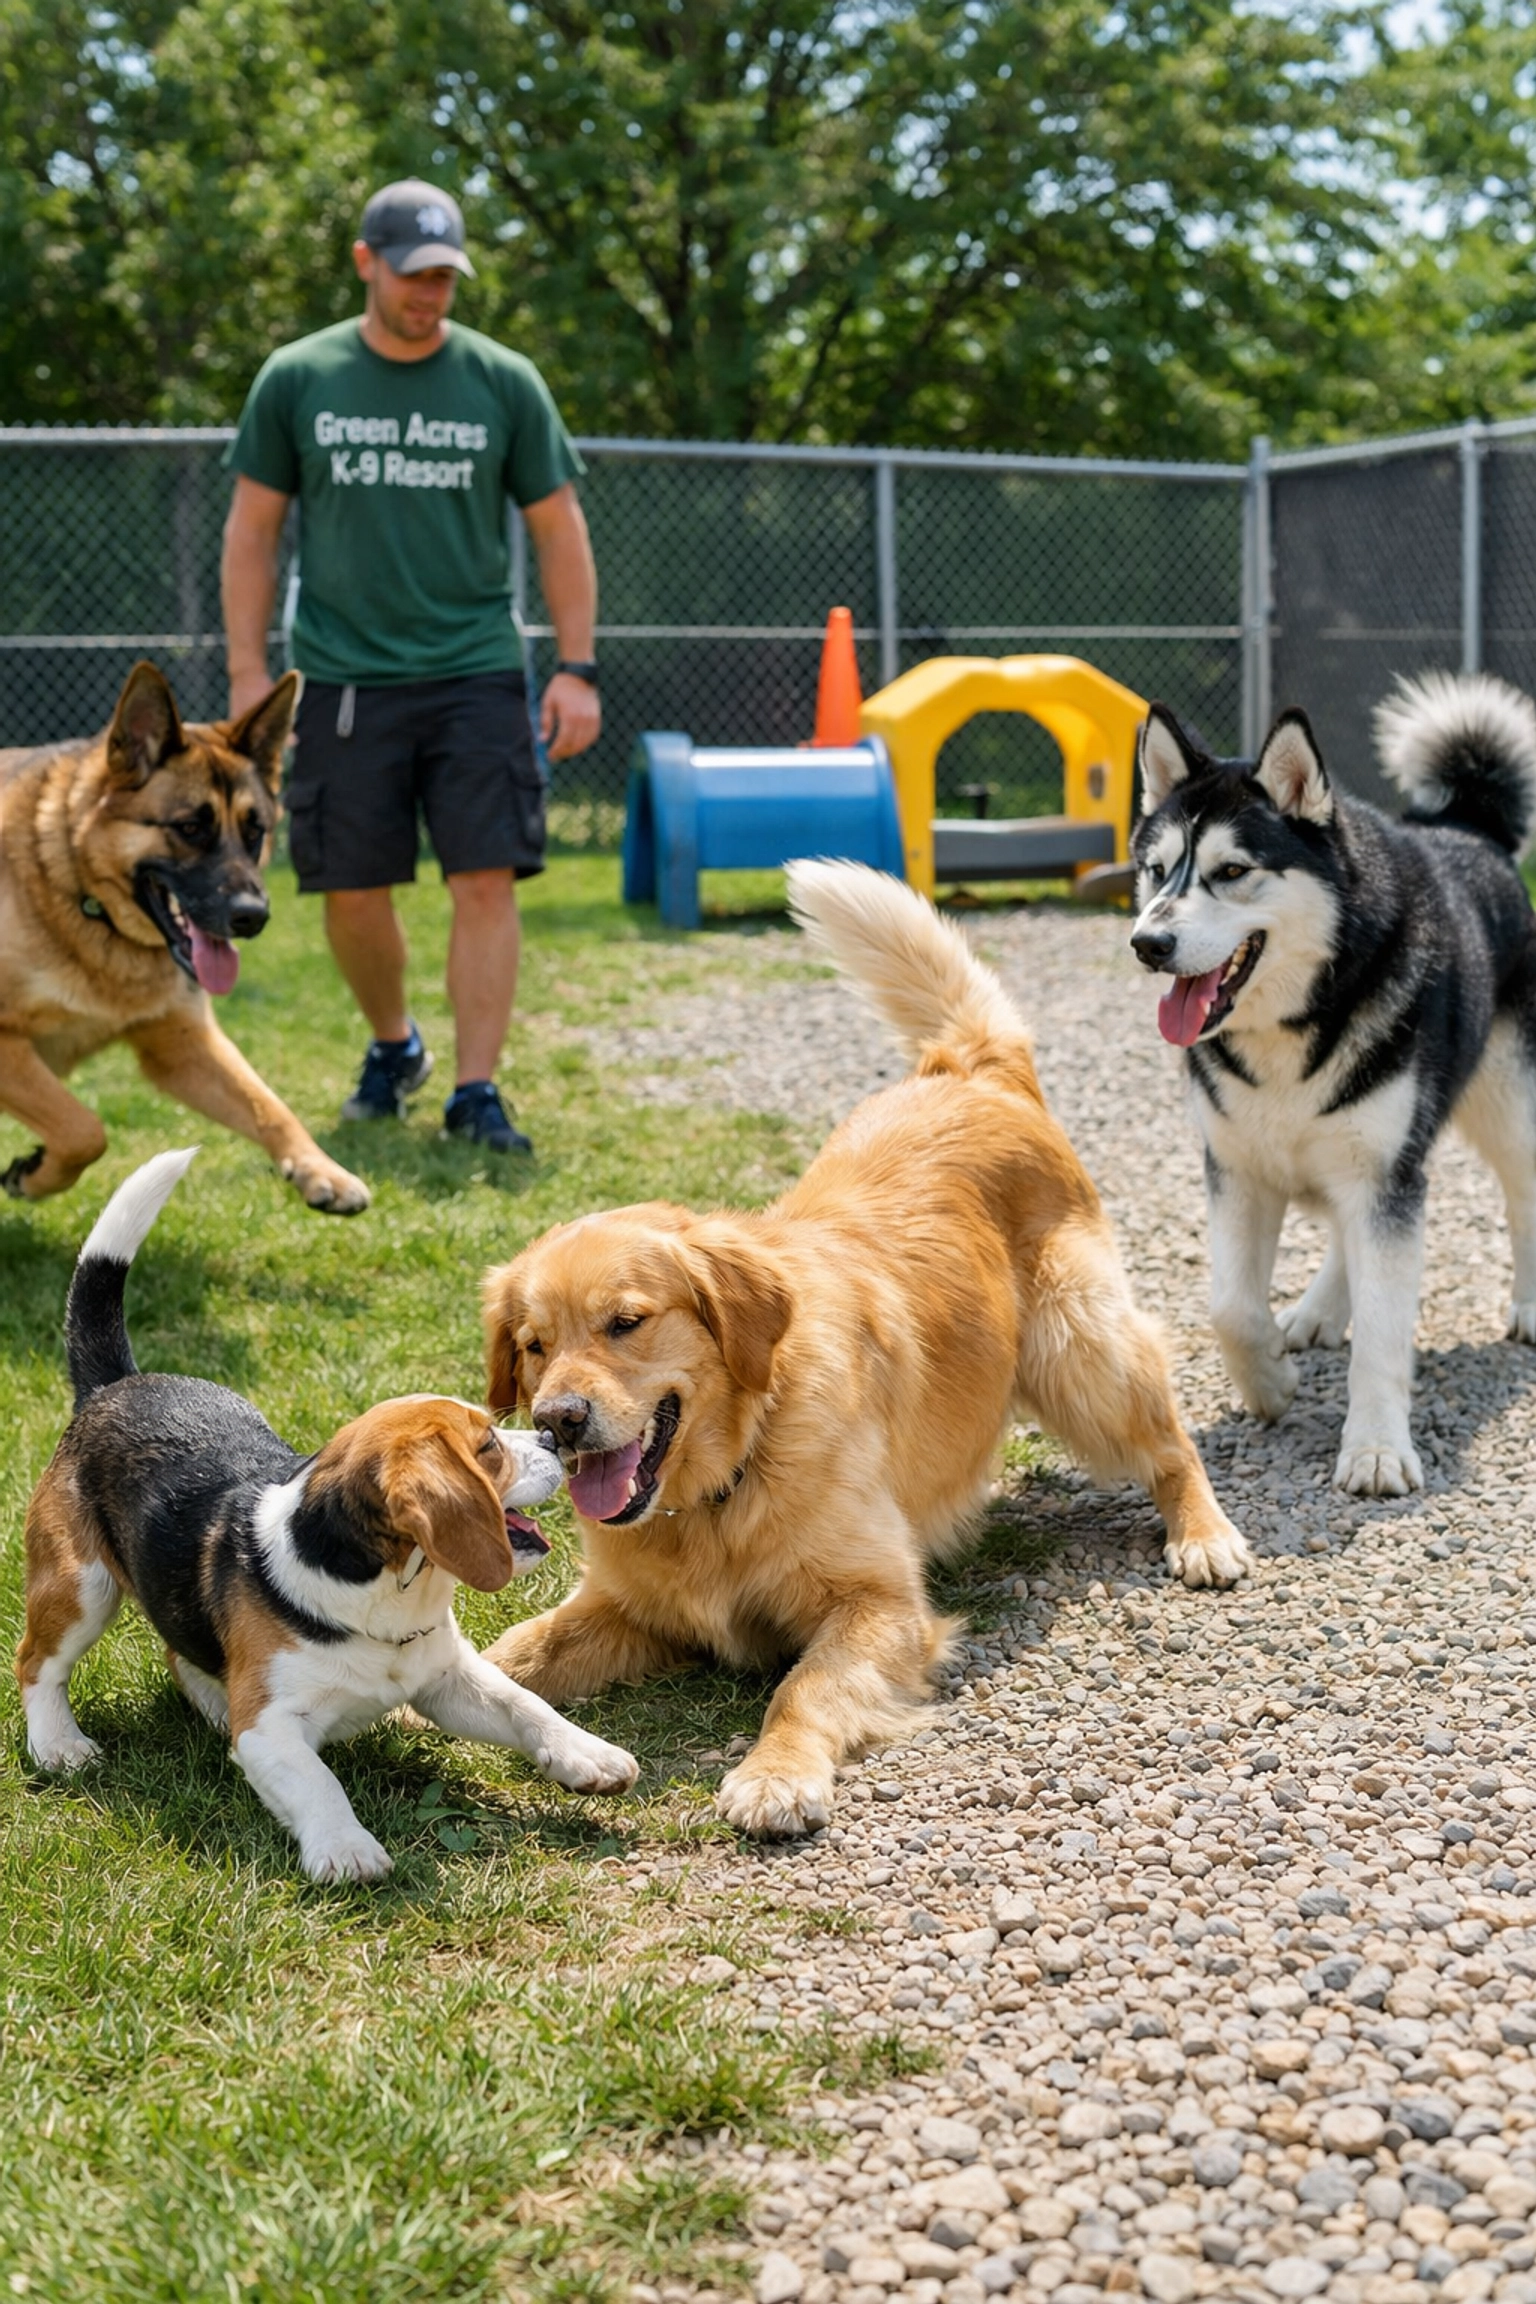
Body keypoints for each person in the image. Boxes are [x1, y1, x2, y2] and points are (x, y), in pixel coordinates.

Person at [220, 179, 601, 1154]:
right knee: (351, 892)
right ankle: (394, 1045)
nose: (430, 295)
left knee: (486, 880)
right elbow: (253, 532)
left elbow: (558, 527)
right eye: (413, 276)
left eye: (445, 278)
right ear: (365, 264)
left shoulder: (502, 380)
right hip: (342, 677)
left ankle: (476, 1092)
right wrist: (245, 674)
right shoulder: (299, 378)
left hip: (475, 669)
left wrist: (576, 667)